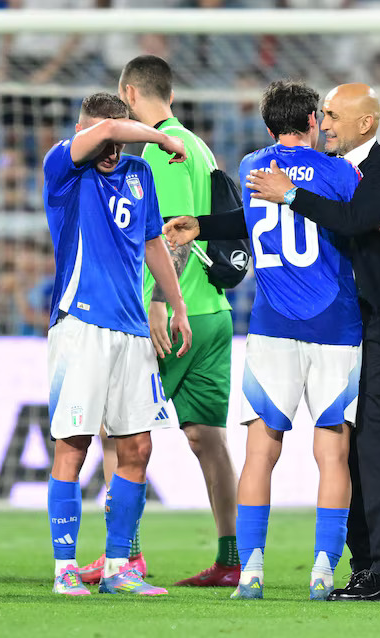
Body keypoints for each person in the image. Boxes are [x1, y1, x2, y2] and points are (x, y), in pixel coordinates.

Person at [163, 80, 363, 601]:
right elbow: (356, 224)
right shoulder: (341, 171)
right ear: (316, 120)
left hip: (273, 326)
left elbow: (249, 221)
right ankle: (323, 570)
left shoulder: (254, 166)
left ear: (269, 126)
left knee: (260, 449)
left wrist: (200, 226)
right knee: (332, 452)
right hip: (335, 326)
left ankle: (250, 569)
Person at [246, 83, 380, 601]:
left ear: (364, 123)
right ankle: (358, 565)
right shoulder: (337, 171)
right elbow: (278, 214)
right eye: (320, 115)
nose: (325, 123)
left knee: (372, 437)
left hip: (378, 320)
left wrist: (291, 193)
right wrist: (207, 225)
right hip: (342, 320)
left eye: (334, 115)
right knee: (345, 446)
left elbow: (351, 219)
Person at [76, 54, 243, 588]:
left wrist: (159, 304)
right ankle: (230, 556)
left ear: (128, 93)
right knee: (206, 438)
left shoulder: (158, 152)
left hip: (174, 318)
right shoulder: (199, 145)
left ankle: (124, 554)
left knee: (115, 432)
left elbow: (168, 234)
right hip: (215, 313)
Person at [43, 92, 191, 597]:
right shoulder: (64, 167)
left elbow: (153, 243)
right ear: (85, 131)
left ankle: (118, 567)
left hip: (131, 332)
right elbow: (106, 133)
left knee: (136, 446)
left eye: (120, 133)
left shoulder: (138, 174)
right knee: (74, 445)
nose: (112, 146)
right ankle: (65, 567)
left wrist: (177, 305)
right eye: (105, 134)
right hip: (80, 325)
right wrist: (162, 136)